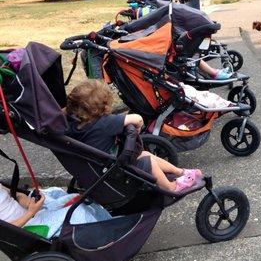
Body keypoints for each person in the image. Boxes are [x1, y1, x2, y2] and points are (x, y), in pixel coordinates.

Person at [65, 80, 202, 193]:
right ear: (102, 107)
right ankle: (171, 187)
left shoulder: (71, 125)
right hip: (112, 172)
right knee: (148, 161)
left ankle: (180, 172)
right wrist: (136, 127)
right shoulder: (105, 122)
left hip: (96, 168)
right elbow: (137, 119)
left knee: (143, 154)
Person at [0, 185, 111, 238]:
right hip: (25, 228)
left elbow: (17, 194)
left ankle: (107, 222)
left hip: (32, 213)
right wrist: (30, 212)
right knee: (79, 210)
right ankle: (107, 235)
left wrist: (30, 203)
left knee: (61, 194)